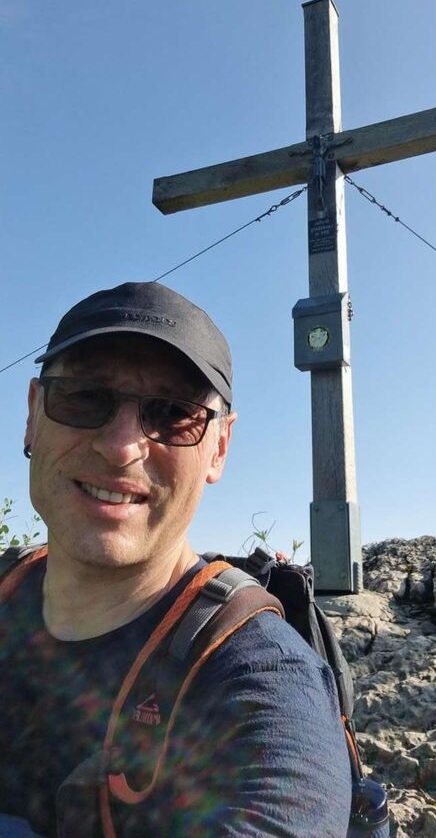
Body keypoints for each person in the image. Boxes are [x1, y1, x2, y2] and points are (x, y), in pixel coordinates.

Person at [0, 281, 351, 837]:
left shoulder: (262, 682)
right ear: (32, 415)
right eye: (84, 396)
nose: (121, 447)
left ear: (219, 448)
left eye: (174, 413)